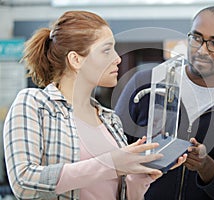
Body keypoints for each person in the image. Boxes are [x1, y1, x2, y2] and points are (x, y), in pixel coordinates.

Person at [3, 10, 186, 200]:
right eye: (107, 50)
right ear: (76, 60)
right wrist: (110, 164)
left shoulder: (110, 119)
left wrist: (139, 176)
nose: (117, 58)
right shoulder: (34, 104)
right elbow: (23, 181)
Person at [114, 6, 214, 200]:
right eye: (197, 38)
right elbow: (112, 159)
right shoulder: (145, 85)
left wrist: (206, 166)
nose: (202, 50)